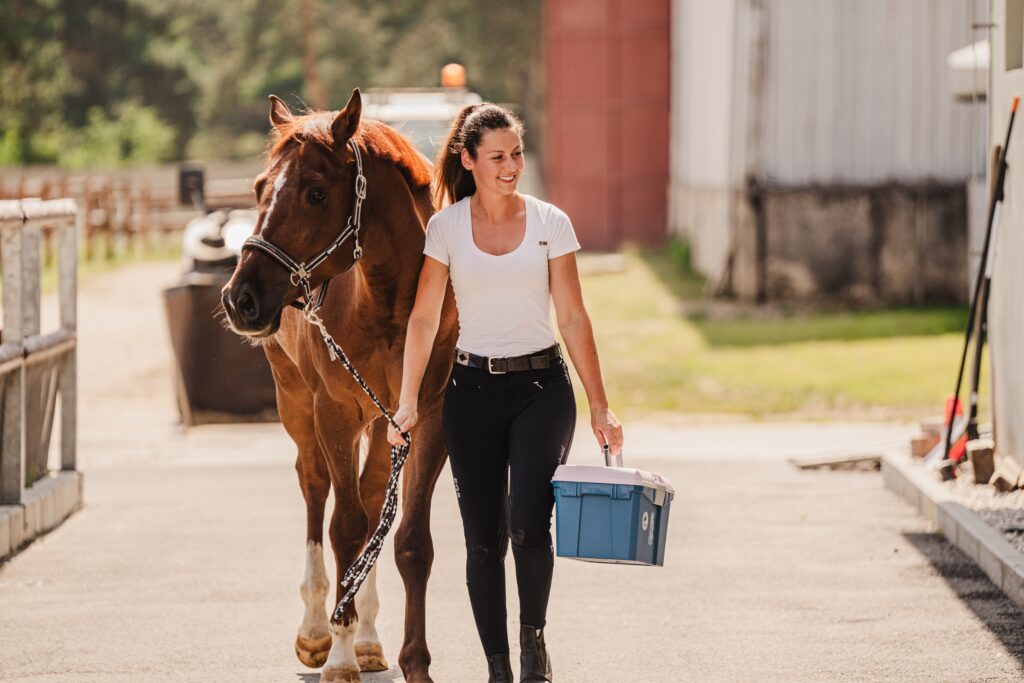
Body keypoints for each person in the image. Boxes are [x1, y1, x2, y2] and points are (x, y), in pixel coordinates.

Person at [387, 102, 623, 683]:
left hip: (542, 387)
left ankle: (532, 647)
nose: (511, 165)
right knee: (482, 539)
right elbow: (422, 321)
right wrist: (408, 401)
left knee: (526, 523)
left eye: (516, 153)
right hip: (470, 392)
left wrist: (600, 405)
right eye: (497, 157)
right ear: (469, 161)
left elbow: (572, 316)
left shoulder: (550, 223)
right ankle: (497, 666)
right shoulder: (445, 228)